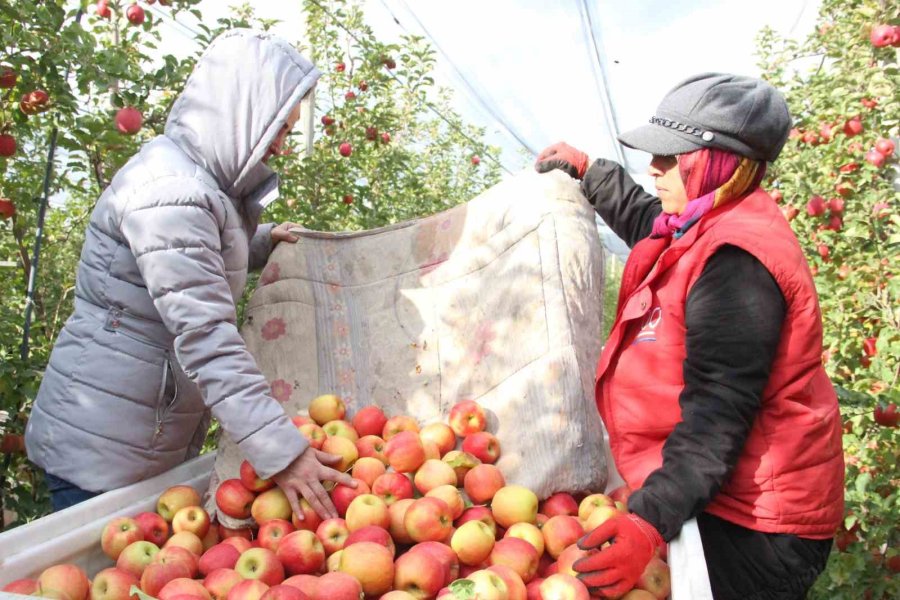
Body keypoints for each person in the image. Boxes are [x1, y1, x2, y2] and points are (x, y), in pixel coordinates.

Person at [535, 73, 844, 599]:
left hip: (756, 524)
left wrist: (649, 519)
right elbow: (653, 226)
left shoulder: (738, 264)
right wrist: (591, 172)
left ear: (720, 163)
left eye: (671, 157)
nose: (654, 168)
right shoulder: (708, 219)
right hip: (718, 493)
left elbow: (718, 413)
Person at [25, 29, 354, 520]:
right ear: (243, 114)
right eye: (279, 129)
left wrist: (262, 242)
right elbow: (204, 331)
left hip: (134, 432)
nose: (280, 146)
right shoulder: (170, 190)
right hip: (103, 445)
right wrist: (281, 450)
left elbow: (191, 262)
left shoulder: (198, 186)